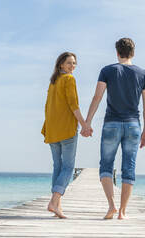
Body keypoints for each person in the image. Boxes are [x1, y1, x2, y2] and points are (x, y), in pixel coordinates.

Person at [84, 38, 145, 219]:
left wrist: (87, 122)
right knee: (129, 167)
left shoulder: (107, 71)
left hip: (111, 124)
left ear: (117, 52)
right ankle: (123, 212)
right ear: (133, 53)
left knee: (106, 165)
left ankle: (111, 206)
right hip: (133, 125)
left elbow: (97, 97)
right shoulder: (143, 74)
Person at [41, 52, 92, 219]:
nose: (72, 66)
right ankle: (54, 201)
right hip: (66, 129)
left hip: (53, 130)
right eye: (69, 63)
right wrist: (85, 125)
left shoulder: (53, 82)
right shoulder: (69, 79)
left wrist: (47, 128)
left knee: (58, 166)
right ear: (61, 64)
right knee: (68, 167)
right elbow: (73, 105)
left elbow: (47, 107)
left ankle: (57, 206)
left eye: (74, 63)